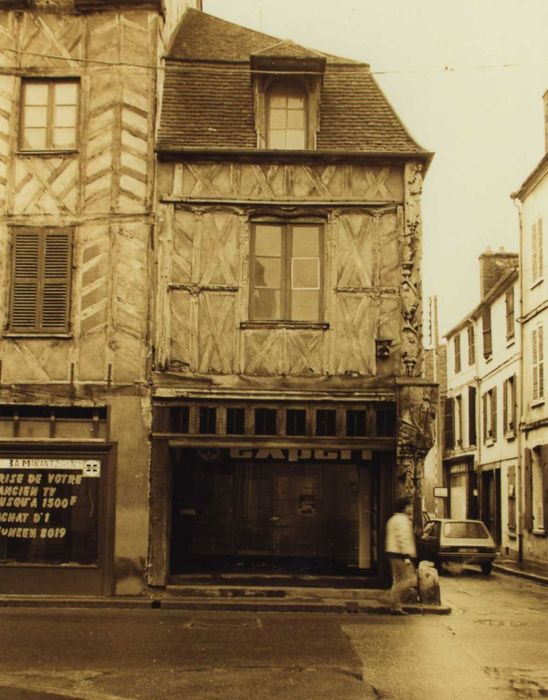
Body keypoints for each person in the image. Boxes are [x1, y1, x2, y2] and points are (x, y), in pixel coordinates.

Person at [383, 496, 417, 615]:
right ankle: (390, 596)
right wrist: (406, 555)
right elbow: (403, 538)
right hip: (401, 554)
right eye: (410, 506)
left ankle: (396, 607)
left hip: (392, 553)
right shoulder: (402, 520)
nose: (411, 508)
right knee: (411, 580)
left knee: (397, 580)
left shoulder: (392, 519)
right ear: (405, 507)